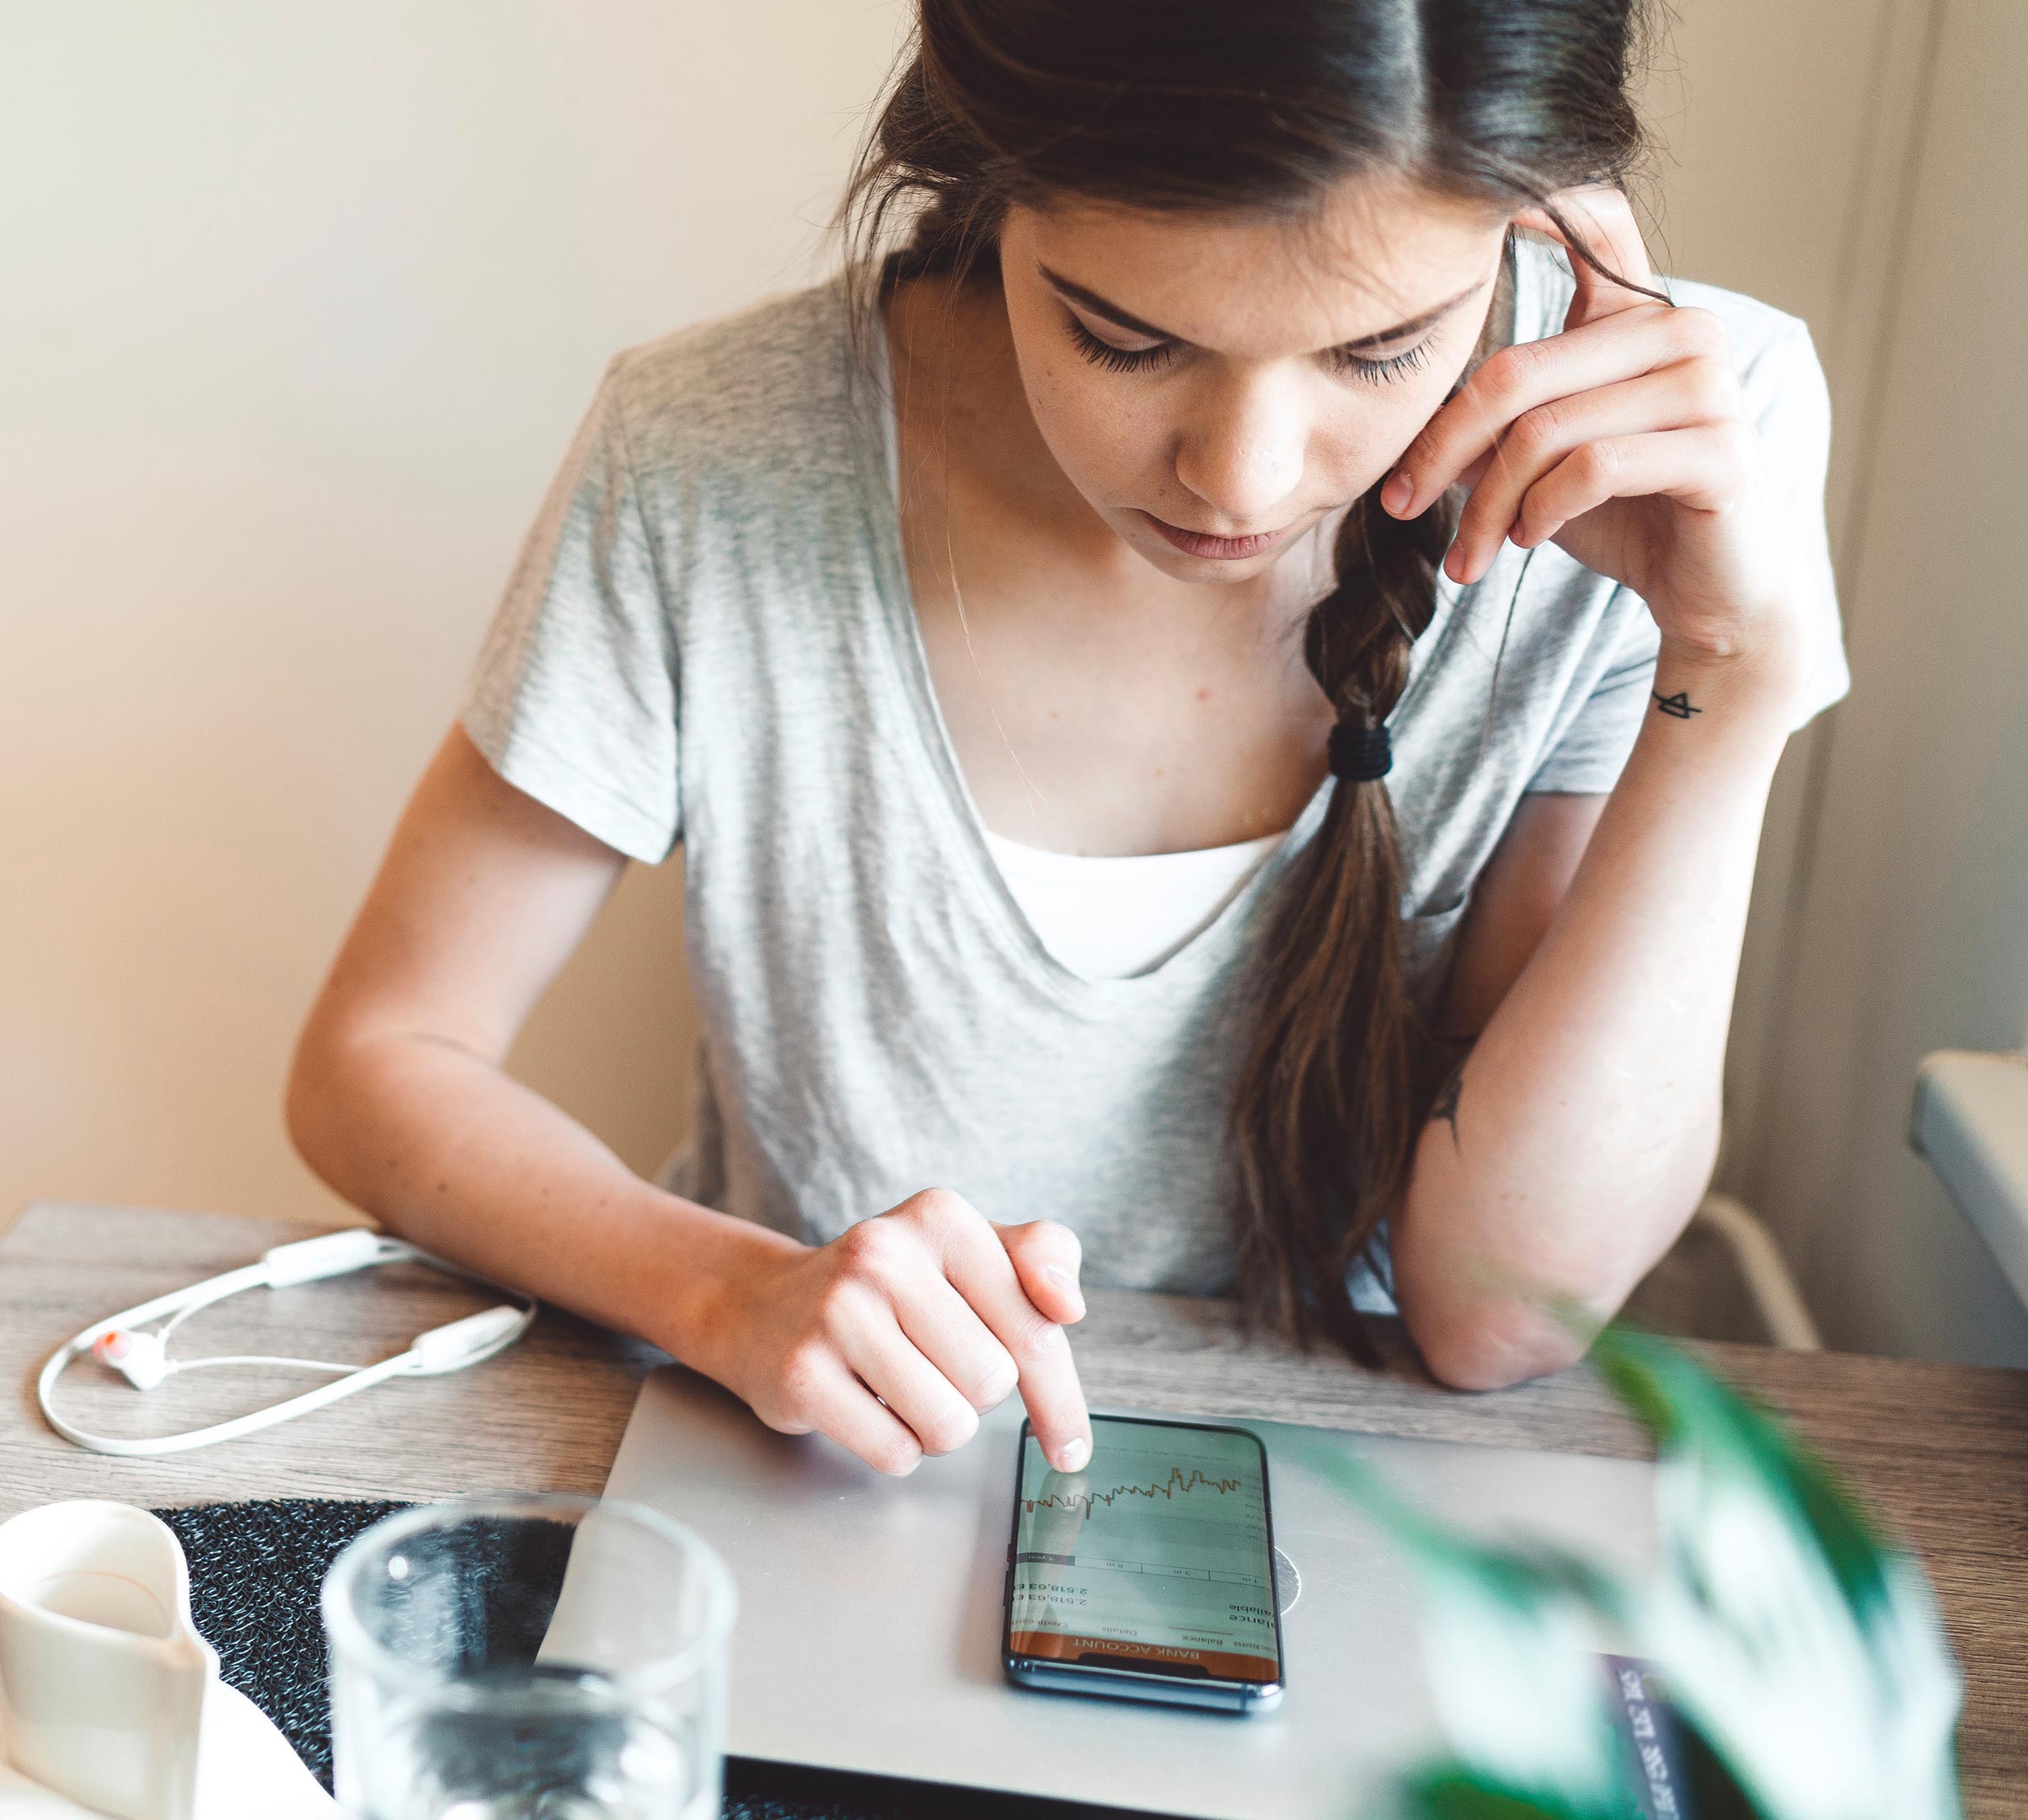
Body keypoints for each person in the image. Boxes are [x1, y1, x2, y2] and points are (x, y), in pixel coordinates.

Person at [284, 0, 1847, 1479]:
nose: (1240, 478)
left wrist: (1733, 675)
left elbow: (1500, 1314)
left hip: (1369, 1507)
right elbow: (379, 1061)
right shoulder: (712, 452)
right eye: (1124, 341)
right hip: (838, 1474)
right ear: (983, 175)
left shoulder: (1676, 454)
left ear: (1553, 212)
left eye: (1379, 353)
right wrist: (727, 1295)